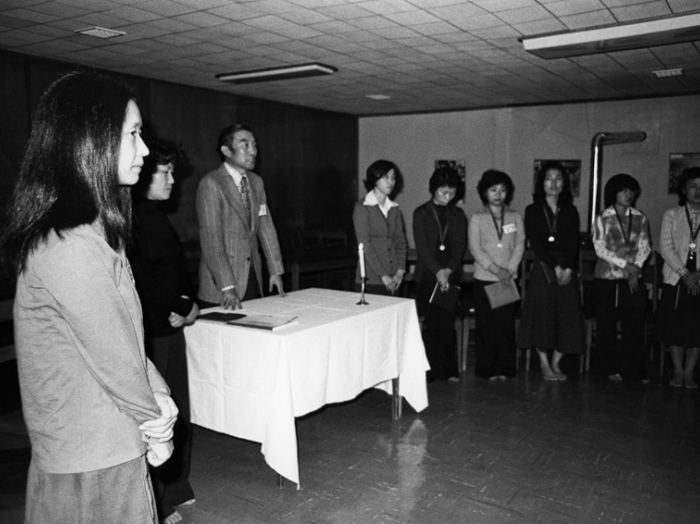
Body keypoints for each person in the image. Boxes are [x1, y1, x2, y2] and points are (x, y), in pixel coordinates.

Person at [0, 71, 178, 524]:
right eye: (133, 135)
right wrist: (157, 425)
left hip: (110, 441)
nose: (144, 149)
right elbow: (113, 356)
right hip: (89, 458)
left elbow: (125, 338)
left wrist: (159, 394)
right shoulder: (67, 243)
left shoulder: (95, 233)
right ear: (90, 140)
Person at [131, 140, 199, 523]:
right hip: (153, 331)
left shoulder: (157, 215)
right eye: (166, 172)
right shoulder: (133, 218)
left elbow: (176, 269)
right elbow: (142, 282)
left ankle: (176, 484)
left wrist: (187, 303)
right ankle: (157, 499)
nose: (173, 180)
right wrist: (181, 308)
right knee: (157, 414)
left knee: (178, 409)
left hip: (172, 323)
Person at [196, 124, 285, 310]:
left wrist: (275, 270)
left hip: (252, 278)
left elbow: (266, 229)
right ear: (226, 151)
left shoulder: (256, 182)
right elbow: (212, 241)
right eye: (245, 145)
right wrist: (227, 286)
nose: (253, 151)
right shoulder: (211, 184)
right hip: (221, 286)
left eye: (254, 145)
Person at [517, 162, 586, 381]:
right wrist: (555, 266)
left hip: (567, 269)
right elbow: (536, 243)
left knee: (567, 316)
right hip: (544, 266)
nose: (553, 183)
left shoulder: (570, 211)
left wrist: (568, 268)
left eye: (558, 178)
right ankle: (544, 364)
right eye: (549, 178)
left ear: (564, 183)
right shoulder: (533, 210)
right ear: (542, 183)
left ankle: (556, 362)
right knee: (543, 315)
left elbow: (573, 243)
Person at [592, 173, 651, 382]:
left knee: (633, 324)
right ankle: (607, 368)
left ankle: (633, 370)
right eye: (624, 190)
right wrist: (626, 265)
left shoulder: (640, 217)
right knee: (606, 324)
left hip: (632, 277)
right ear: (613, 192)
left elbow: (645, 246)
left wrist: (636, 270)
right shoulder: (603, 217)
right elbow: (600, 248)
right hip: (606, 276)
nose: (628, 194)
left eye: (631, 190)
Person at [468, 169, 525, 380]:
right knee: (486, 326)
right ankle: (487, 369)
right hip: (485, 278)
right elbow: (475, 249)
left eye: (502, 190)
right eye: (493, 190)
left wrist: (508, 271)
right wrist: (496, 270)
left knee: (506, 325)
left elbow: (519, 245)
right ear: (484, 192)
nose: (498, 194)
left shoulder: (515, 217)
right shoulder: (477, 218)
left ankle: (506, 368)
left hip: (508, 279)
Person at [413, 166, 467, 383]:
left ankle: (449, 369)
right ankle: (427, 370)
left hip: (450, 275)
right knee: (429, 323)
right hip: (428, 274)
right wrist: (437, 271)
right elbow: (422, 247)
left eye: (452, 193)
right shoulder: (421, 212)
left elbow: (460, 245)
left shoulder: (458, 214)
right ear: (433, 189)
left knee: (446, 322)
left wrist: (448, 270)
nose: (448, 197)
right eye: (444, 192)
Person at [657, 167, 700, 389]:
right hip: (676, 277)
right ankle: (677, 371)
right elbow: (665, 247)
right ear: (684, 189)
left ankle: (690, 372)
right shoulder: (672, 214)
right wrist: (685, 274)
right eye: (693, 186)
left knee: (696, 328)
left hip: (699, 277)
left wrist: (697, 275)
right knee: (675, 327)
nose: (698, 191)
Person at [352, 160, 407, 296]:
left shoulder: (394, 208)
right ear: (374, 179)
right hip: (371, 280)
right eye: (386, 177)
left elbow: (400, 241)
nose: (390, 182)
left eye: (393, 177)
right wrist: (383, 275)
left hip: (394, 279)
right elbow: (365, 245)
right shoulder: (362, 208)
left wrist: (400, 271)